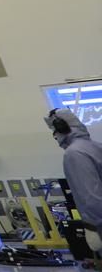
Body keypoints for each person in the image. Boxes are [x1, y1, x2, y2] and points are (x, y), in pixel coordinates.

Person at [46, 108, 102, 254]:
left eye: (54, 130)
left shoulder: (74, 153)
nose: (54, 135)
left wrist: (91, 227)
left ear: (62, 128)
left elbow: (91, 198)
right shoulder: (96, 147)